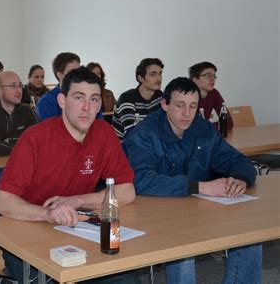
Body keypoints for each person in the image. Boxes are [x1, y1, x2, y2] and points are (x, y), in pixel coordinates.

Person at [0, 67, 137, 283]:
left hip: (77, 230)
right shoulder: (35, 138)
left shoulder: (104, 134)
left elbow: (126, 192)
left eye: (94, 99)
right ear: (62, 101)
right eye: (79, 97)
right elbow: (1, 202)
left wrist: (76, 201)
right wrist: (47, 214)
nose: (87, 107)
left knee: (126, 279)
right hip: (28, 231)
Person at [123, 77, 262, 284]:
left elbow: (238, 160)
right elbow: (140, 180)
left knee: (251, 235)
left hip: (195, 209)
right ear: (164, 104)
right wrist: (199, 187)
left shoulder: (203, 129)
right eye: (179, 106)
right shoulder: (144, 133)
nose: (187, 114)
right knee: (183, 247)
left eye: (193, 106)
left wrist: (240, 179)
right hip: (154, 213)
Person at [0, 71, 38, 156]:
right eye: (13, 86)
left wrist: (10, 140)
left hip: (22, 161)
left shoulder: (27, 110)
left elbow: (39, 140)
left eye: (20, 86)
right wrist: (25, 143)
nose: (19, 90)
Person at [112, 58, 163, 141]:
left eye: (160, 74)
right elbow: (132, 134)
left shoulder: (160, 97)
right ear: (141, 78)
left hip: (151, 145)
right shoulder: (127, 99)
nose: (159, 78)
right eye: (153, 74)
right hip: (124, 147)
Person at [189, 61, 233, 131]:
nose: (213, 79)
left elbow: (228, 123)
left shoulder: (214, 93)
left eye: (214, 76)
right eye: (208, 75)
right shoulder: (186, 95)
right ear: (195, 80)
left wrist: (207, 126)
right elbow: (190, 128)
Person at [36, 52, 80, 120]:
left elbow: (99, 126)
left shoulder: (88, 97)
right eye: (73, 72)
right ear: (59, 75)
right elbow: (52, 129)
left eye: (79, 71)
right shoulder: (46, 102)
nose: (78, 75)